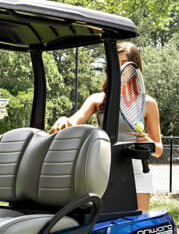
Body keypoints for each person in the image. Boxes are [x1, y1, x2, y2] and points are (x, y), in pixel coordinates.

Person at [49, 42, 163, 210]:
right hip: (103, 171)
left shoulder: (148, 103)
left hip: (136, 172)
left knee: (135, 226)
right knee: (104, 226)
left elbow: (159, 150)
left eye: (124, 64)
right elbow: (74, 121)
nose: (120, 70)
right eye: (116, 65)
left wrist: (147, 142)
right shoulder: (97, 99)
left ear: (135, 68)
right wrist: (64, 120)